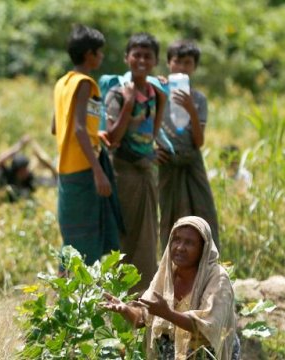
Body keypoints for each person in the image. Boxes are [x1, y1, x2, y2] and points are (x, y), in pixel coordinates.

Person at [102, 216, 239, 360]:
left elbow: (208, 326)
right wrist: (125, 309)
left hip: (206, 353)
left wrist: (168, 314)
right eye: (176, 240)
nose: (180, 247)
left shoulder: (217, 278)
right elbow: (143, 316)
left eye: (189, 243)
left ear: (203, 248)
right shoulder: (166, 274)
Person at [51, 24, 124, 265]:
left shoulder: (62, 83)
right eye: (99, 52)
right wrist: (98, 170)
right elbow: (80, 128)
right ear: (89, 54)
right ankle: (80, 297)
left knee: (72, 237)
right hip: (83, 169)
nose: (102, 56)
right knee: (86, 239)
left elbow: (56, 126)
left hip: (66, 169)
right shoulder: (84, 84)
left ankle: (67, 295)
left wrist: (96, 135)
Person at [103, 32, 167, 291]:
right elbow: (112, 139)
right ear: (126, 58)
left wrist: (150, 154)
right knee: (125, 238)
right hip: (124, 174)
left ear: (155, 60)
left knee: (147, 238)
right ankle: (121, 298)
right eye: (136, 55)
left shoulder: (156, 93)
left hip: (145, 173)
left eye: (147, 56)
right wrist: (128, 104)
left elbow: (154, 132)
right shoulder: (118, 95)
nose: (141, 60)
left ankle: (143, 298)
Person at [156, 40, 220, 249]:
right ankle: (171, 270)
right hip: (166, 161)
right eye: (177, 62)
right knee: (169, 216)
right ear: (168, 62)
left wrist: (191, 109)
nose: (182, 67)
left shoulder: (198, 99)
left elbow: (198, 141)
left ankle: (206, 269)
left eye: (188, 63)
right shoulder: (157, 90)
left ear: (194, 67)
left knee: (203, 214)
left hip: (192, 162)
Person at [0, 135, 57, 203]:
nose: (26, 171)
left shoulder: (29, 180)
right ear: (17, 170)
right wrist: (19, 145)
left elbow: (54, 181)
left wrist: (47, 163)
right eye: (23, 170)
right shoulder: (5, 176)